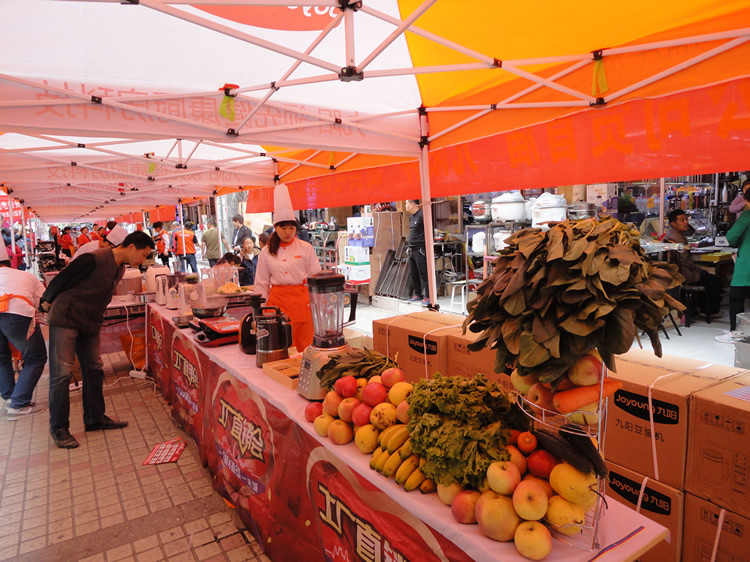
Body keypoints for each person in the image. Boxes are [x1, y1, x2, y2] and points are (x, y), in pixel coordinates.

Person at [40, 231, 155, 448]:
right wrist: (45, 301)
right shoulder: (94, 258)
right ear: (131, 247)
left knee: (94, 369)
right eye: (143, 254)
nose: (144, 260)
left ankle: (94, 418)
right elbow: (62, 279)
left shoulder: (120, 268)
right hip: (66, 318)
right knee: (62, 374)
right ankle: (59, 428)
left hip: (90, 322)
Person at [254, 184, 321, 352]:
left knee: (306, 349)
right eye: (283, 228)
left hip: (303, 305)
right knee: (281, 348)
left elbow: (317, 278)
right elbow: (261, 283)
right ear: (275, 227)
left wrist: (321, 307)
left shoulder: (305, 248)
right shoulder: (266, 252)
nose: (288, 232)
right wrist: (258, 313)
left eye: (291, 228)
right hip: (277, 306)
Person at [0, 243, 47, 419]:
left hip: (11, 314)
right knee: (36, 357)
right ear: (10, 261)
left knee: (1, 358)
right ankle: (18, 404)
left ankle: (11, 397)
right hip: (16, 314)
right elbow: (43, 300)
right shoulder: (25, 275)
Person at [664, 209, 722, 317]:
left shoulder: (672, 234)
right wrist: (697, 269)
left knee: (708, 277)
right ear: (673, 223)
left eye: (686, 219)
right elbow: (685, 260)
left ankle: (700, 308)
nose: (686, 222)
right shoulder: (677, 238)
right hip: (685, 273)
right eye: (682, 220)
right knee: (713, 280)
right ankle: (710, 311)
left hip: (682, 271)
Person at [717, 188, 750, 343]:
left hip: (747, 266)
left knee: (736, 297)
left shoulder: (747, 216)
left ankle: (736, 333)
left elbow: (731, 238)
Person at [404, 199, 431, 306]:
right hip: (411, 248)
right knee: (413, 273)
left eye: (406, 203)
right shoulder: (411, 217)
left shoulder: (422, 215)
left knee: (424, 273)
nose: (405, 205)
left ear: (413, 204)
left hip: (420, 248)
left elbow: (428, 230)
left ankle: (428, 296)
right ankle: (418, 294)